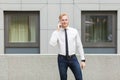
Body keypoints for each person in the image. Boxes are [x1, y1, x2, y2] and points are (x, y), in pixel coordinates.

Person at [49, 13, 86, 80]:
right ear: (60, 21)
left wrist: (83, 60)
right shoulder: (56, 32)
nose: (64, 21)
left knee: (79, 78)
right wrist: (57, 30)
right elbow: (52, 44)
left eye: (66, 20)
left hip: (73, 58)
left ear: (68, 21)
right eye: (62, 20)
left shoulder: (74, 31)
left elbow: (79, 45)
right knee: (63, 78)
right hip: (62, 59)